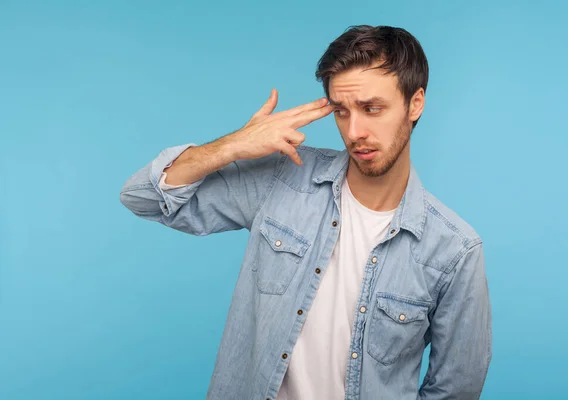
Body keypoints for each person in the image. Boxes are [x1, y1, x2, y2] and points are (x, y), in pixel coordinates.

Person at [120, 25, 492, 400]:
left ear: (415, 103)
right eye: (342, 112)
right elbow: (143, 198)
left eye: (372, 108)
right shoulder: (283, 177)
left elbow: (455, 389)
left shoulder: (454, 251)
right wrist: (233, 145)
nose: (354, 131)